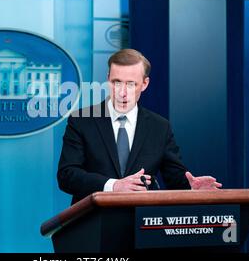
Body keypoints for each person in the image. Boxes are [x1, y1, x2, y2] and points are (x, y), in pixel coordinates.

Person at [57, 48, 222, 205]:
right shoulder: (81, 120)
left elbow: (174, 177)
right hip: (90, 224)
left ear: (144, 84)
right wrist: (113, 186)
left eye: (131, 84)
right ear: (108, 79)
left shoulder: (159, 127)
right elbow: (67, 176)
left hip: (140, 224)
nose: (122, 92)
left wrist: (191, 188)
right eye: (117, 82)